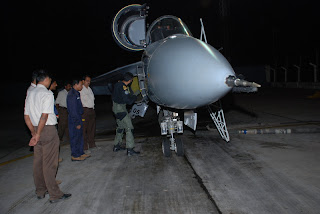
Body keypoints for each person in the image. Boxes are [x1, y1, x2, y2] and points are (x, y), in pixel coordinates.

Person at [24, 69, 71, 203]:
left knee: (38, 162)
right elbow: (44, 116)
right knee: (50, 164)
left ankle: (40, 190)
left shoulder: (30, 93)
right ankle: (55, 194)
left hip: (34, 128)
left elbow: (26, 116)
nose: (50, 81)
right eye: (50, 79)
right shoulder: (47, 93)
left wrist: (33, 133)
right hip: (47, 130)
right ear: (45, 80)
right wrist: (38, 133)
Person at [112, 72, 140, 156]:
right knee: (129, 128)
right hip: (121, 109)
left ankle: (117, 146)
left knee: (120, 127)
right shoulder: (123, 87)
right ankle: (130, 149)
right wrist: (135, 97)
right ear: (130, 80)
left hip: (116, 108)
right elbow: (128, 100)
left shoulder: (118, 85)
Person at [67, 78, 90, 161]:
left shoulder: (76, 93)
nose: (82, 86)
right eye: (81, 84)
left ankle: (80, 153)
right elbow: (72, 110)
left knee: (80, 136)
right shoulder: (72, 94)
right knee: (75, 137)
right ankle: (75, 155)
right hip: (74, 119)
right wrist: (77, 122)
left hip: (78, 117)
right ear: (75, 85)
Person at [80, 75, 98, 154]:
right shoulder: (81, 89)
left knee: (92, 128)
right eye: (87, 80)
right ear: (83, 81)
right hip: (85, 110)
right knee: (84, 129)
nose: (88, 82)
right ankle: (84, 146)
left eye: (89, 81)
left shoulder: (90, 89)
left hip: (91, 110)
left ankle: (92, 144)